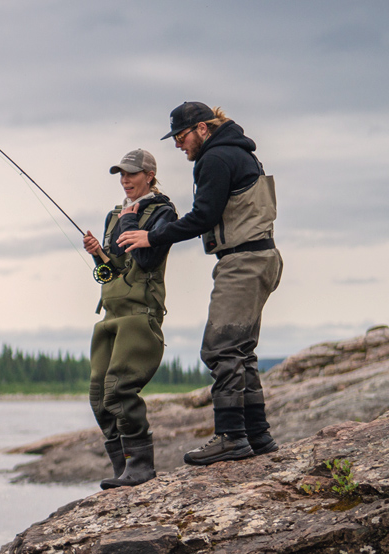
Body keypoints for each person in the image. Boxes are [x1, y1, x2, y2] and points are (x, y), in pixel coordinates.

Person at [118, 102, 283, 466]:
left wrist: (153, 236)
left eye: (181, 136)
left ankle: (231, 438)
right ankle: (258, 436)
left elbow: (203, 216)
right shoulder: (238, 153)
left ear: (203, 129)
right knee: (241, 352)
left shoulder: (216, 158)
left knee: (219, 349)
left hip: (244, 261)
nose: (178, 144)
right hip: (262, 257)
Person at [82, 148, 177, 489]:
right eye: (121, 173)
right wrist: (99, 256)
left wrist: (130, 221)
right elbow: (116, 270)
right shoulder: (116, 215)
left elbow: (149, 259)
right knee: (99, 396)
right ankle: (122, 468)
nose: (125, 179)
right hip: (111, 313)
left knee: (120, 390)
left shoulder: (163, 211)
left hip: (140, 314)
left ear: (149, 175)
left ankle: (142, 467)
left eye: (131, 173)